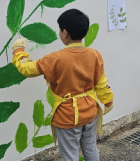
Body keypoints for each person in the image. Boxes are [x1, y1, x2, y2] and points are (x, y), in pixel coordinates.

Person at [11, 9, 114, 161]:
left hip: (67, 117)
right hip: (91, 112)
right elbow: (102, 83)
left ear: (64, 33)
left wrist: (18, 51)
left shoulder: (53, 59)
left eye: (59, 30)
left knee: (70, 156)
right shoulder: (95, 54)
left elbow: (27, 69)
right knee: (91, 148)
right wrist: (108, 102)